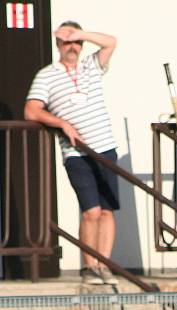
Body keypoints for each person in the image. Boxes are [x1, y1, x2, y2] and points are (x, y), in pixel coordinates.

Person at [24, 21, 119, 285]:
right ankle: (89, 267)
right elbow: (31, 110)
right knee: (91, 211)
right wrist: (62, 123)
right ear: (58, 44)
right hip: (76, 153)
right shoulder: (47, 75)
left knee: (107, 211)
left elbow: (111, 41)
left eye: (76, 42)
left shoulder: (91, 65)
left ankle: (104, 264)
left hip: (105, 147)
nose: (73, 47)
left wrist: (80, 33)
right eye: (67, 41)